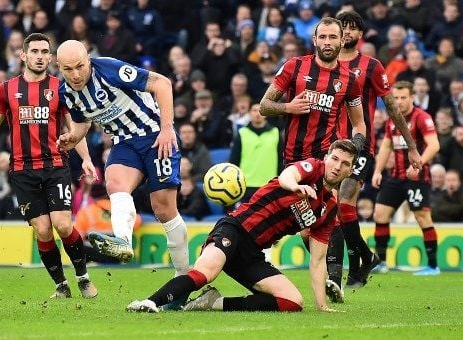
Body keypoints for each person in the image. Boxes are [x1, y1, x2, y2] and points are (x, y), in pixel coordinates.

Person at [126, 139, 357, 313]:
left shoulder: (329, 208)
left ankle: (212, 303)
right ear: (327, 157)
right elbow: (288, 175)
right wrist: (295, 186)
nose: (337, 166)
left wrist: (322, 305)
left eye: (345, 164)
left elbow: (317, 261)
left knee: (292, 302)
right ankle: (148, 302)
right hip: (233, 229)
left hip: (252, 254)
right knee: (205, 273)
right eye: (335, 159)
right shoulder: (312, 169)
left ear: (350, 170)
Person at [55, 40, 189, 280]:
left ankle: (184, 275)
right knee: (114, 183)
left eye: (80, 66)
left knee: (164, 208)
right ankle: (123, 241)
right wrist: (73, 137)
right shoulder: (66, 94)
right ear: (59, 67)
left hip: (155, 135)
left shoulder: (110, 69)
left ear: (88, 60)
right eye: (68, 69)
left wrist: (167, 129)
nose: (75, 75)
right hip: (124, 142)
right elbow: (83, 121)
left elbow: (162, 84)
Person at [0, 33, 98, 299]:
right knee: (43, 229)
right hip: (23, 170)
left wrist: (88, 159)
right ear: (23, 55)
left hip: (56, 165)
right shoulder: (6, 89)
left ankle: (83, 277)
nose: (40, 56)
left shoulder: (61, 88)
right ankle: (61, 285)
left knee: (63, 225)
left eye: (45, 52)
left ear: (50, 57)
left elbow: (75, 129)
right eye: (34, 51)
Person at [259, 16, 366, 303]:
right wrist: (288, 107)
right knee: (304, 226)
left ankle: (333, 277)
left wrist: (352, 152)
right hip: (293, 160)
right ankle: (265, 264)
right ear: (315, 40)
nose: (328, 42)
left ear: (342, 40)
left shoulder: (349, 79)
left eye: (334, 37)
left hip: (325, 160)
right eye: (323, 37)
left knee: (329, 216)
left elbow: (359, 124)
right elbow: (264, 106)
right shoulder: (295, 66)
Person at [331, 11, 422, 291]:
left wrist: (412, 146)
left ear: (360, 34)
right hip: (329, 147)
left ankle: (338, 273)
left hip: (360, 146)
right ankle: (364, 258)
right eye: (342, 27)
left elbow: (392, 107)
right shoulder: (325, 65)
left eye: (352, 28)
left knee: (343, 199)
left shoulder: (371, 66)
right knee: (334, 209)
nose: (346, 32)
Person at [372, 81, 441, 276]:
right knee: (380, 214)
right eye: (395, 98)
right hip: (395, 177)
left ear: (412, 97)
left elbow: (434, 145)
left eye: (403, 97)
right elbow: (386, 146)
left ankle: (433, 266)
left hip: (417, 178)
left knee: (422, 217)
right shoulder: (392, 119)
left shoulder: (421, 117)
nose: (399, 102)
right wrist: (378, 171)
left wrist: (417, 165)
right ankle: (382, 263)